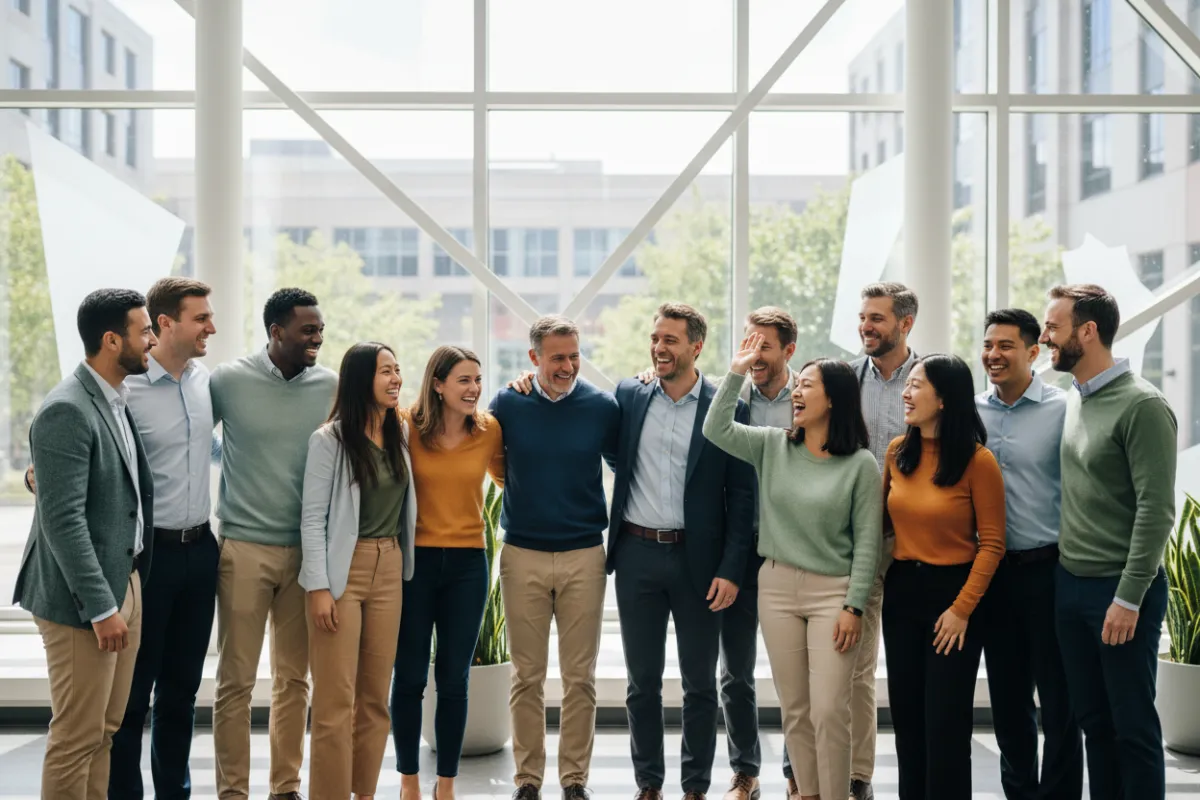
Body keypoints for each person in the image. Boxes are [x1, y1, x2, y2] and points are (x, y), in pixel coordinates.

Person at [703, 333, 882, 800]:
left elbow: (867, 544)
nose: (796, 392)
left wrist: (854, 606)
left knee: (828, 710)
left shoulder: (861, 465)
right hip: (777, 587)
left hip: (834, 595)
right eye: (796, 384)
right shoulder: (772, 446)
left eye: (808, 385)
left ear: (835, 400)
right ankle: (808, 794)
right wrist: (737, 370)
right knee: (796, 711)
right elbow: (715, 429)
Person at [608, 302, 756, 800]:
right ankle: (648, 784)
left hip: (701, 562)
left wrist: (732, 569)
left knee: (698, 685)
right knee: (641, 682)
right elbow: (614, 452)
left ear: (696, 346)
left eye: (670, 340)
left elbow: (741, 495)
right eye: (656, 338)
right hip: (636, 555)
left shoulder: (726, 405)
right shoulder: (630, 394)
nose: (659, 347)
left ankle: (695, 788)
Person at [12, 288, 157, 800]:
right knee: (77, 737)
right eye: (144, 331)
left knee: (105, 733)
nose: (152, 341)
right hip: (84, 601)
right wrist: (101, 607)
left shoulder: (115, 399)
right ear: (112, 339)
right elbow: (63, 520)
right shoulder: (66, 409)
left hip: (126, 581)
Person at [1041, 284, 1177, 800]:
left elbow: (1156, 510)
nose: (1046, 337)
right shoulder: (1078, 397)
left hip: (1119, 593)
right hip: (1070, 585)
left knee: (1133, 727)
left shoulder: (1142, 405)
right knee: (1094, 723)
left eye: (1053, 327)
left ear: (1088, 331)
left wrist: (1128, 597)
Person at [211, 288, 338, 800]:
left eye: (320, 330)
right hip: (243, 549)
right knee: (235, 682)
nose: (318, 338)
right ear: (276, 332)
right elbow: (174, 432)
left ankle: (284, 788)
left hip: (308, 555)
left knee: (294, 680)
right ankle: (232, 792)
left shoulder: (331, 386)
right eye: (308, 330)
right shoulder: (228, 381)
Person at [490, 316, 621, 800]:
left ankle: (574, 779)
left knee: (580, 677)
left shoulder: (601, 407)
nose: (567, 365)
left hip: (583, 553)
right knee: (526, 676)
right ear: (534, 359)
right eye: (557, 357)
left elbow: (625, 466)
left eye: (573, 355)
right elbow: (493, 461)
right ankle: (527, 779)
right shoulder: (508, 401)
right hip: (522, 552)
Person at [108, 278, 222, 800]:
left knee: (181, 693)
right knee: (132, 695)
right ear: (165, 324)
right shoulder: (123, 389)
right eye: (201, 318)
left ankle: (174, 794)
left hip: (201, 552)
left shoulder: (205, 383)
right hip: (146, 558)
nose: (211, 327)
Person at [882, 354, 1006, 800]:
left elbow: (992, 544)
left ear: (944, 399)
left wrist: (960, 610)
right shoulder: (898, 452)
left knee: (946, 726)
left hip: (954, 598)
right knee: (909, 723)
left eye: (917, 385)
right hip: (901, 595)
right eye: (908, 384)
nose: (906, 393)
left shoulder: (978, 460)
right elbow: (878, 525)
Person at [301, 342, 416, 800]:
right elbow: (312, 518)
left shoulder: (401, 431)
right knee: (334, 701)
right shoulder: (328, 439)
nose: (396, 379)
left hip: (390, 567)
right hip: (341, 571)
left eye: (398, 370)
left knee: (374, 700)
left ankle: (363, 794)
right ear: (360, 379)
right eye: (385, 371)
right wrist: (318, 587)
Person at [975, 309, 1082, 800]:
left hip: (1049, 570)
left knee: (1059, 700)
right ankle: (1018, 793)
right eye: (988, 345)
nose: (993, 355)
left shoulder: (1065, 408)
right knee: (1009, 699)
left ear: (1033, 352)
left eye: (1006, 346)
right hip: (992, 575)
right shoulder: (972, 412)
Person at [390, 346, 506, 800]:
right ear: (437, 384)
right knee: (411, 676)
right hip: (414, 564)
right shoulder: (404, 425)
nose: (474, 388)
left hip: (467, 566)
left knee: (455, 678)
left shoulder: (489, 430)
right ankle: (408, 781)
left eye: (478, 379)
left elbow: (508, 478)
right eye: (463, 380)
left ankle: (447, 785)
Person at [841, 282, 920, 800]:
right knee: (855, 668)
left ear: (905, 324)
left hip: (918, 543)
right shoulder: (845, 380)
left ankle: (921, 777)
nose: (867, 327)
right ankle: (857, 777)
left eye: (877, 319)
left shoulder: (931, 378)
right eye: (863, 317)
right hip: (860, 542)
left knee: (915, 669)